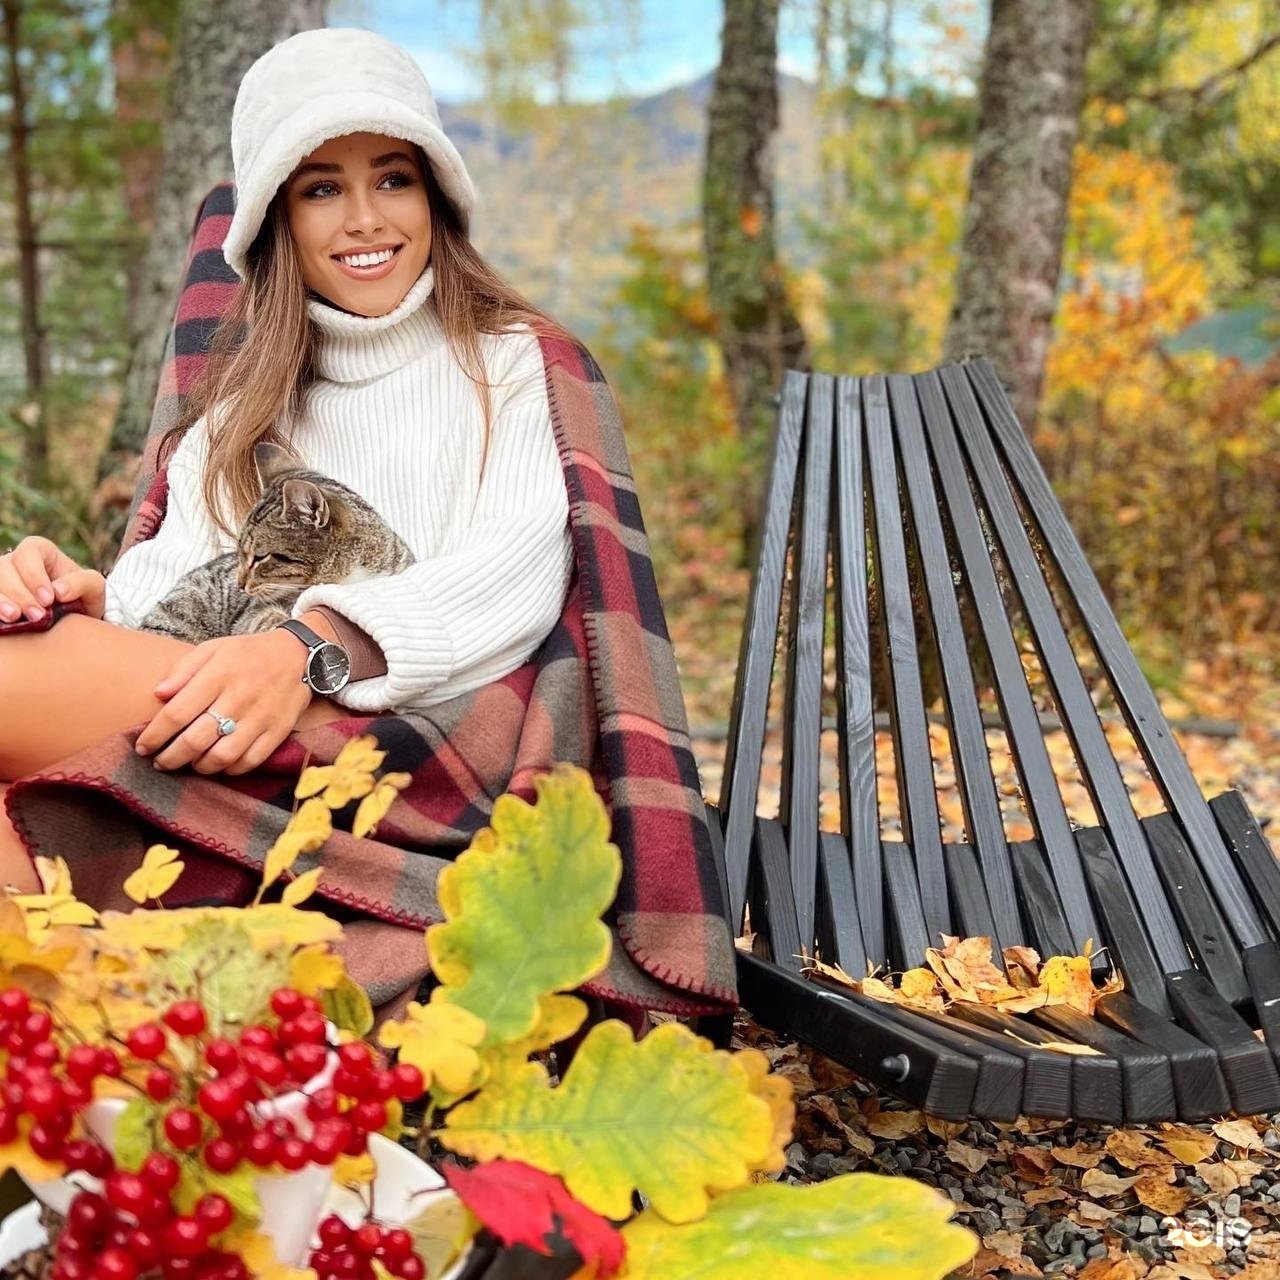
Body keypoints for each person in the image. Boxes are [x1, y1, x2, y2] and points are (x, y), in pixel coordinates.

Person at [0, 29, 574, 892]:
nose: (365, 218)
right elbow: (184, 582)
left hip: (404, 734)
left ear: (436, 195)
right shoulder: (243, 402)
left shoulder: (512, 364)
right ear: (277, 218)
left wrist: (310, 646)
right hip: (231, 698)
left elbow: (514, 574)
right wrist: (92, 595)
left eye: (393, 177)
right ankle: (69, 990)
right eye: (321, 188)